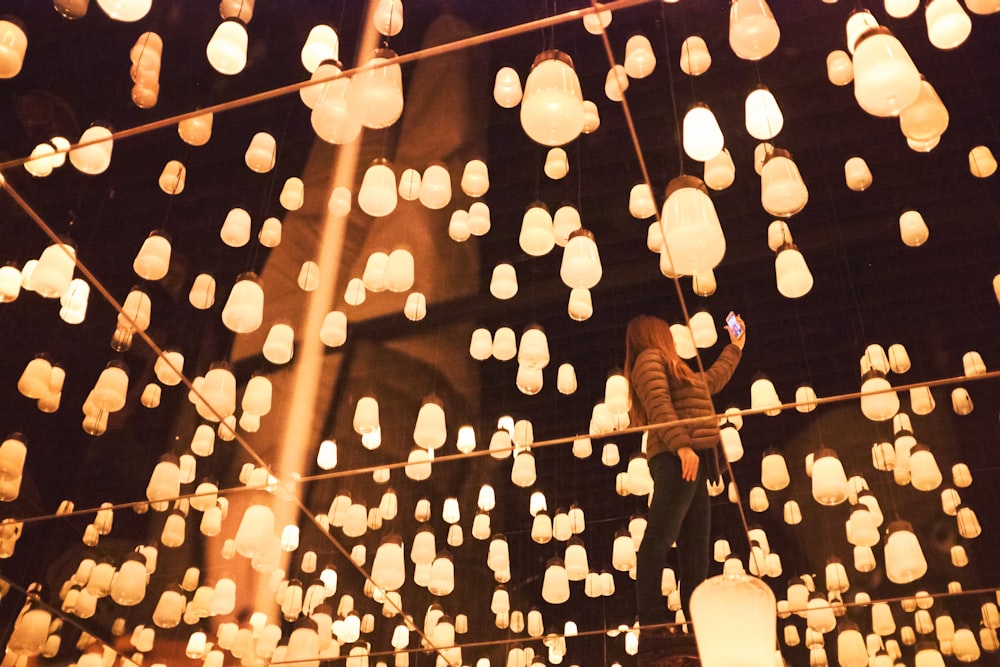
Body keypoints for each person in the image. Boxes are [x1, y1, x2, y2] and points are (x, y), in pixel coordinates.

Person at [624, 313, 746, 642]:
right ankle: (651, 620)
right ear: (654, 335)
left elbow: (710, 382)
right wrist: (681, 447)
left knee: (695, 550)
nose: (673, 340)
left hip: (691, 459)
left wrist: (734, 347)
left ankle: (698, 625)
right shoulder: (649, 360)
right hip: (676, 457)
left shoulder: (675, 368)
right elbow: (659, 404)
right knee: (661, 536)